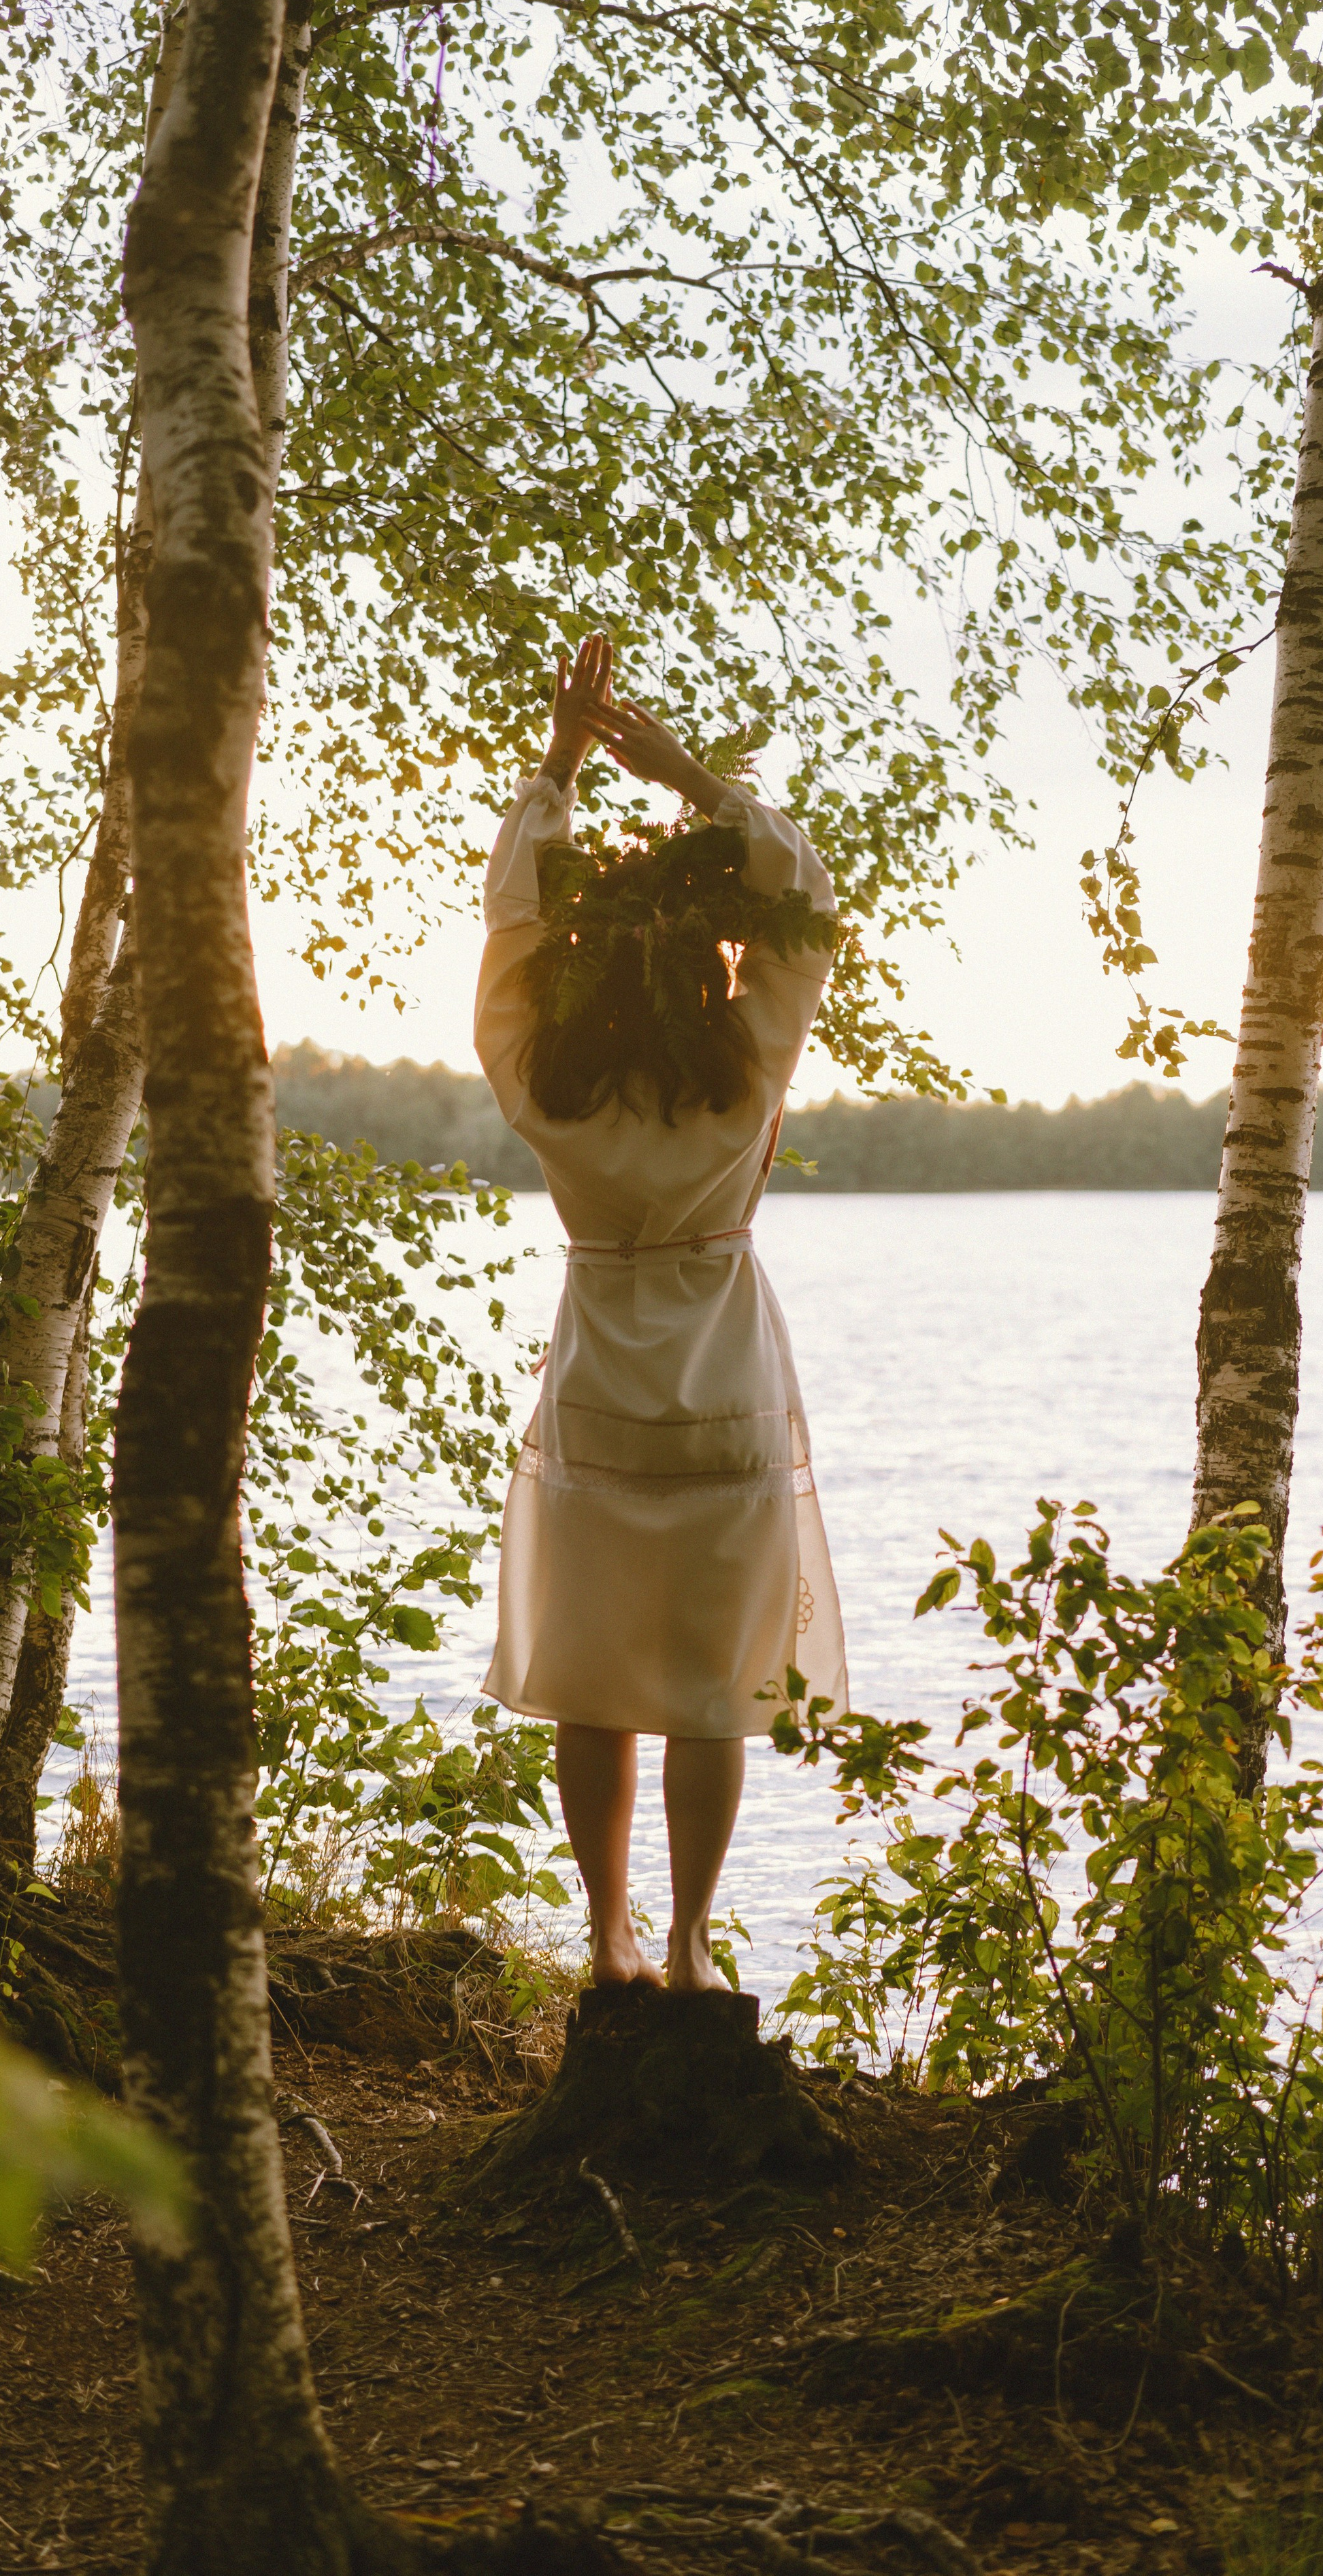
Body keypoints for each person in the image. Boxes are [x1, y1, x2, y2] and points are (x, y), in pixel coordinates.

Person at [474, 635, 848, 1994]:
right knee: (707, 1685)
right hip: (723, 1377)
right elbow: (803, 905)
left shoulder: (549, 1089)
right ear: (707, 975)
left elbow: (511, 937)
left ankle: (609, 1936)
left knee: (592, 1677)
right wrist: (692, 781)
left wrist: (559, 769)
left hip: (598, 1383)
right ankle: (688, 1943)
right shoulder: (743, 1072)